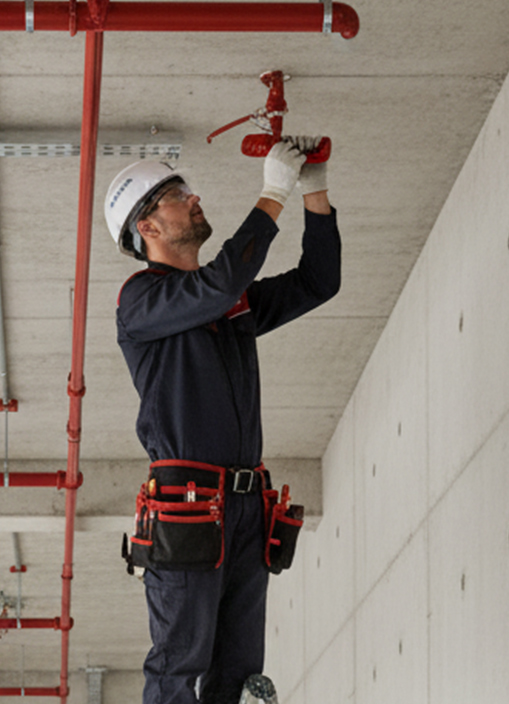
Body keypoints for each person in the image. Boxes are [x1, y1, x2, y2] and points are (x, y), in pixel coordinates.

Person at [106, 137, 342, 704]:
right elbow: (216, 285)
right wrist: (272, 195)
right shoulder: (141, 303)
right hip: (186, 507)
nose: (194, 199)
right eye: (175, 195)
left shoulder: (225, 304)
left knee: (234, 673)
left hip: (243, 507)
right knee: (180, 669)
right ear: (148, 228)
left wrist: (314, 192)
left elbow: (318, 282)